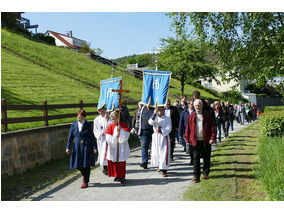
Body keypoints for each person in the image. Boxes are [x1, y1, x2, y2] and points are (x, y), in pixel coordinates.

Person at [185, 99, 216, 183]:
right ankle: (196, 176)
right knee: (195, 159)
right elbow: (188, 129)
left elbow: (213, 128)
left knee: (206, 158)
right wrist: (187, 139)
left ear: (202, 106)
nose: (197, 107)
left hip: (206, 141)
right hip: (194, 141)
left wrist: (212, 138)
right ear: (193, 107)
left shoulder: (208, 116)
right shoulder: (190, 117)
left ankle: (205, 173)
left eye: (199, 105)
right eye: (195, 106)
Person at [66, 109, 98, 188]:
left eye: (81, 118)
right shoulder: (74, 125)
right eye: (78, 118)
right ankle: (85, 175)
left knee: (86, 164)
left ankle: (85, 182)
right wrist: (68, 147)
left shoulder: (87, 125)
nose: (79, 119)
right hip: (77, 146)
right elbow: (70, 137)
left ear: (84, 117)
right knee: (76, 164)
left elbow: (92, 137)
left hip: (86, 146)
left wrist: (94, 147)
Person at [105, 111, 130, 186]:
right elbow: (108, 138)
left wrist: (121, 130)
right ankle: (117, 175)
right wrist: (115, 135)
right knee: (115, 162)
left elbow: (126, 137)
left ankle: (122, 177)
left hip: (121, 147)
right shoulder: (110, 126)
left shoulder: (122, 125)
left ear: (118, 118)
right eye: (112, 119)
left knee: (121, 163)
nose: (114, 121)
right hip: (114, 147)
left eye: (115, 119)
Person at [148, 106, 172, 177]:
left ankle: (164, 170)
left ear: (164, 110)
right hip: (156, 137)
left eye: (162, 110)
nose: (160, 112)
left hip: (163, 137)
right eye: (159, 110)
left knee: (164, 153)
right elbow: (150, 122)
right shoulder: (155, 117)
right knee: (157, 152)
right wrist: (154, 114)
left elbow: (169, 128)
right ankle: (159, 166)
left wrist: (161, 130)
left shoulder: (167, 119)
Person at [134, 103, 154, 169]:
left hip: (153, 130)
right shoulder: (142, 109)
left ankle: (156, 161)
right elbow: (138, 119)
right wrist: (136, 129)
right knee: (144, 146)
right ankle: (144, 162)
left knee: (153, 146)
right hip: (143, 130)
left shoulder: (154, 109)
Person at [93, 107, 112, 175]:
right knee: (102, 152)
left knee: (109, 152)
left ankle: (109, 166)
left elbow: (112, 126)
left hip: (109, 138)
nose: (101, 112)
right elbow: (95, 130)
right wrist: (99, 134)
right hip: (102, 139)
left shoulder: (109, 118)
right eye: (99, 110)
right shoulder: (96, 120)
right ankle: (104, 167)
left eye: (103, 110)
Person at [178, 98, 195, 165]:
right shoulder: (184, 113)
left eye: (193, 104)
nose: (192, 106)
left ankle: (193, 159)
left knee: (193, 147)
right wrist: (180, 134)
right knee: (189, 147)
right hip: (186, 132)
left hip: (194, 132)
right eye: (191, 104)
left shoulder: (196, 112)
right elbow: (181, 123)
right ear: (188, 105)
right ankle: (192, 157)